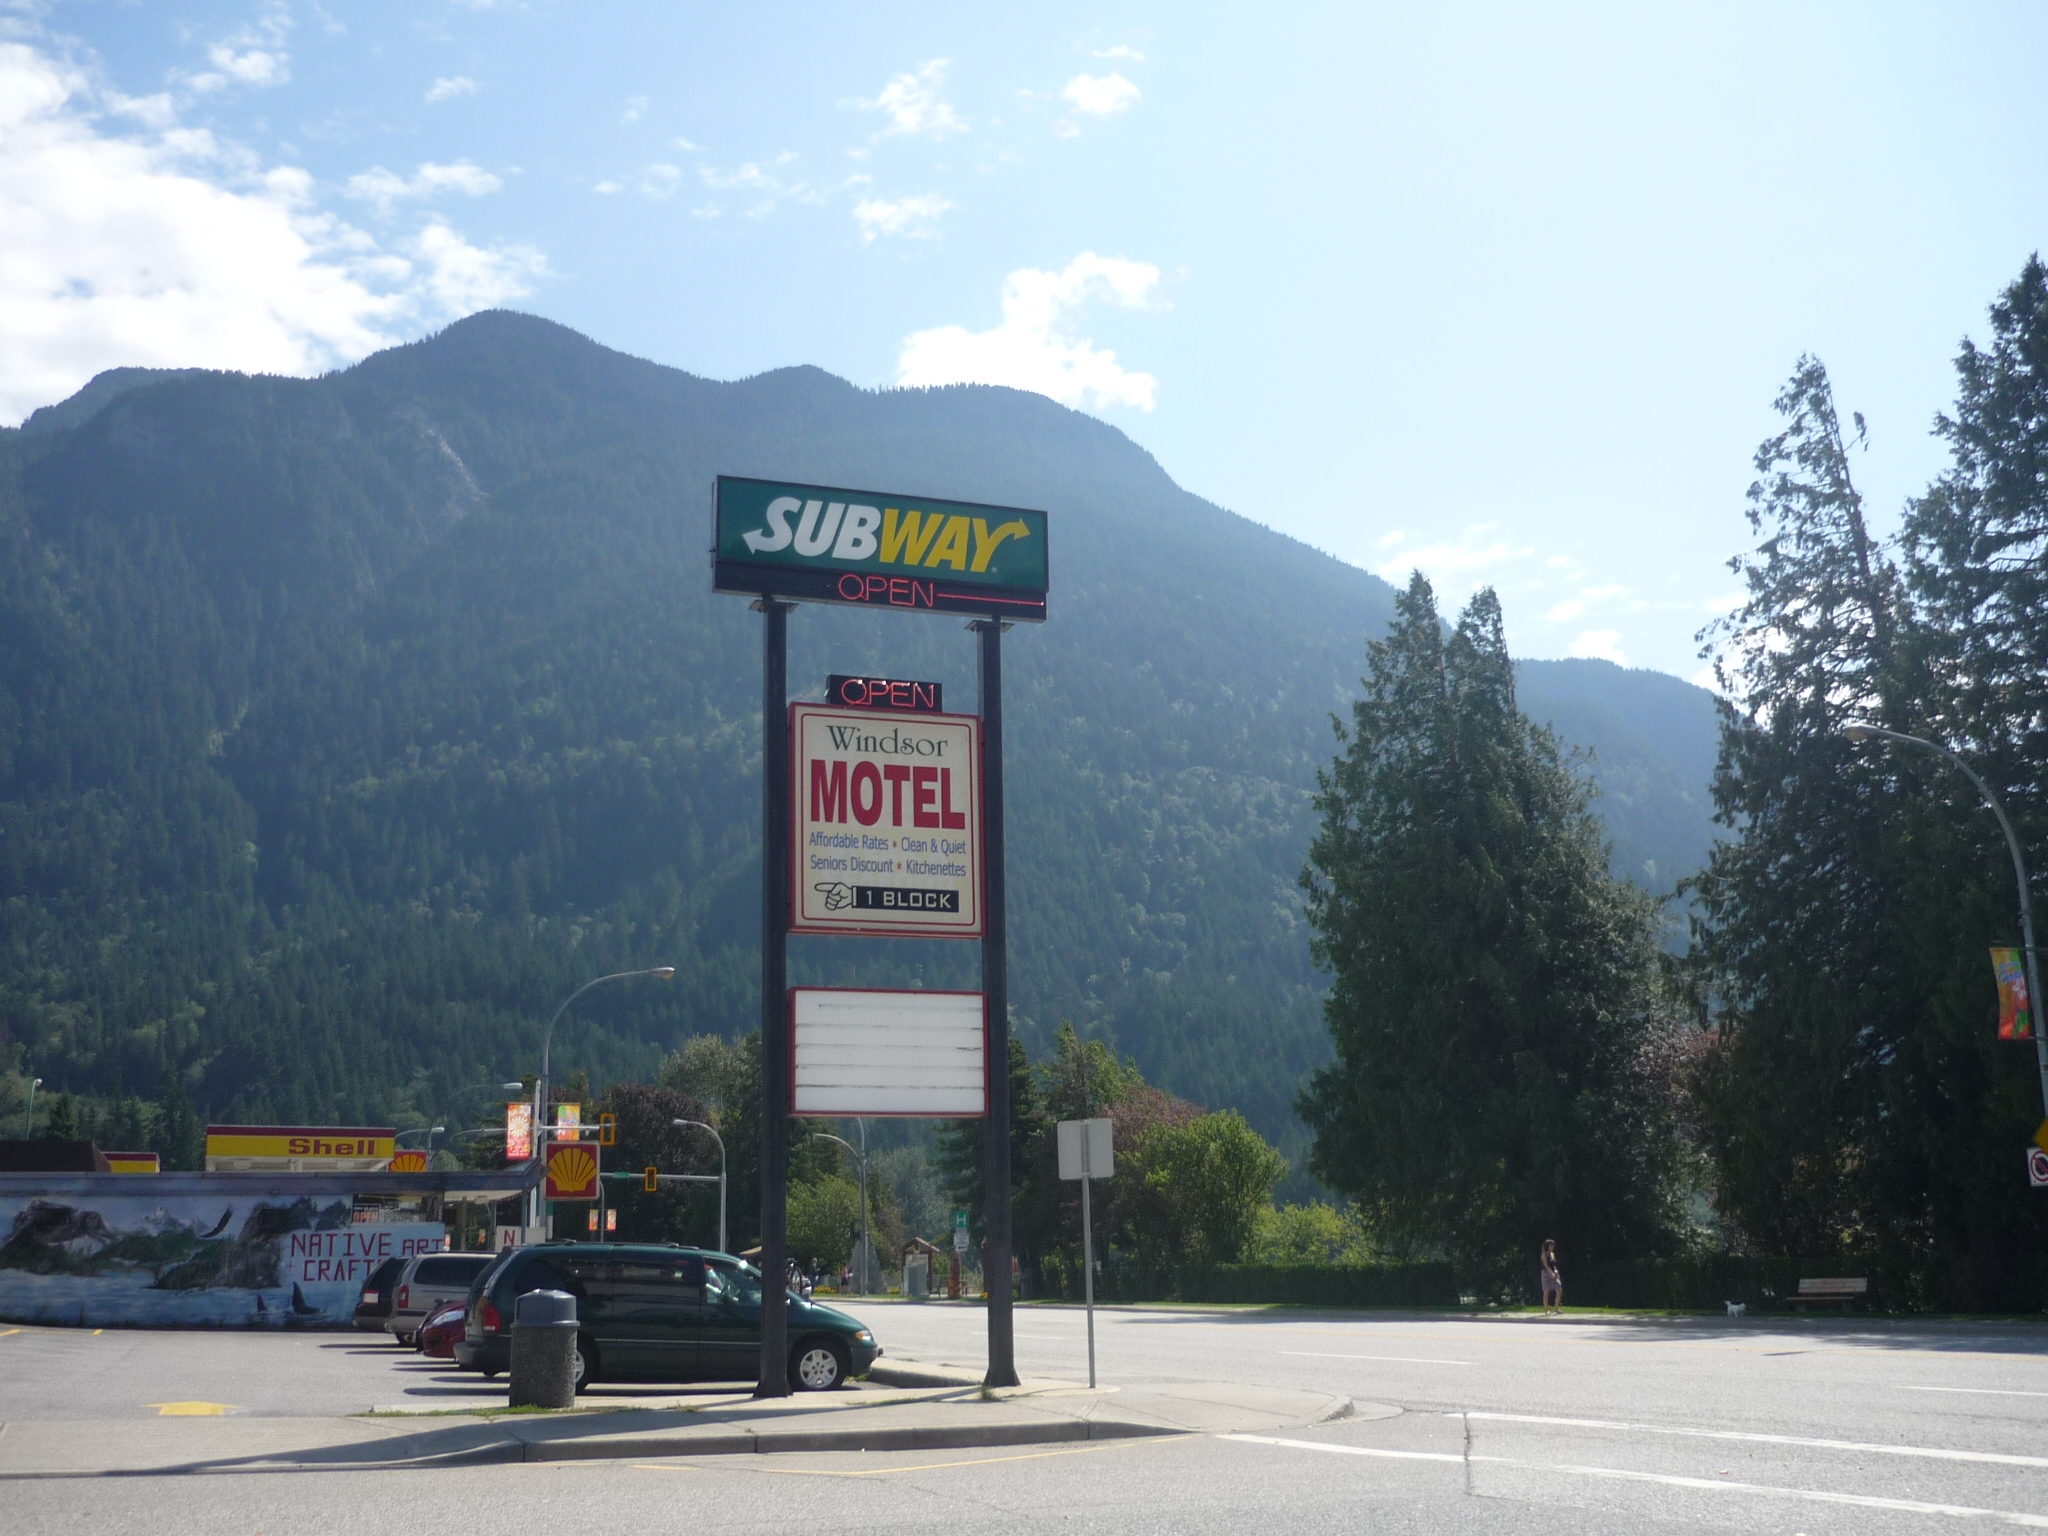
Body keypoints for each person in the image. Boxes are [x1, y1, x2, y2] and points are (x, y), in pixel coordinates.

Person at [1539, 1239, 1563, 1316]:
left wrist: (1555, 1271)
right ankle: (1547, 1310)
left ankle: (1556, 1308)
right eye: (1551, 1245)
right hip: (1546, 1273)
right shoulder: (1544, 1254)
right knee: (1546, 1291)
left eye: (1553, 1245)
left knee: (1559, 1289)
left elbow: (1553, 1264)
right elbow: (1546, 1266)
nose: (1552, 1246)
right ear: (1547, 1246)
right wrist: (1551, 1273)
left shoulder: (1552, 1254)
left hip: (1554, 1272)